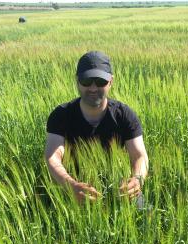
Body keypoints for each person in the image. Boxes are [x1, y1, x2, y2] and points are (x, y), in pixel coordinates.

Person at [45, 51, 149, 204]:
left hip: (119, 187)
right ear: (77, 81)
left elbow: (139, 156)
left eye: (100, 81)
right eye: (86, 81)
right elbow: (52, 156)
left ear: (111, 81)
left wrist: (137, 179)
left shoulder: (125, 115)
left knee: (147, 215)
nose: (93, 88)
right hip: (72, 186)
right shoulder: (60, 115)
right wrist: (70, 185)